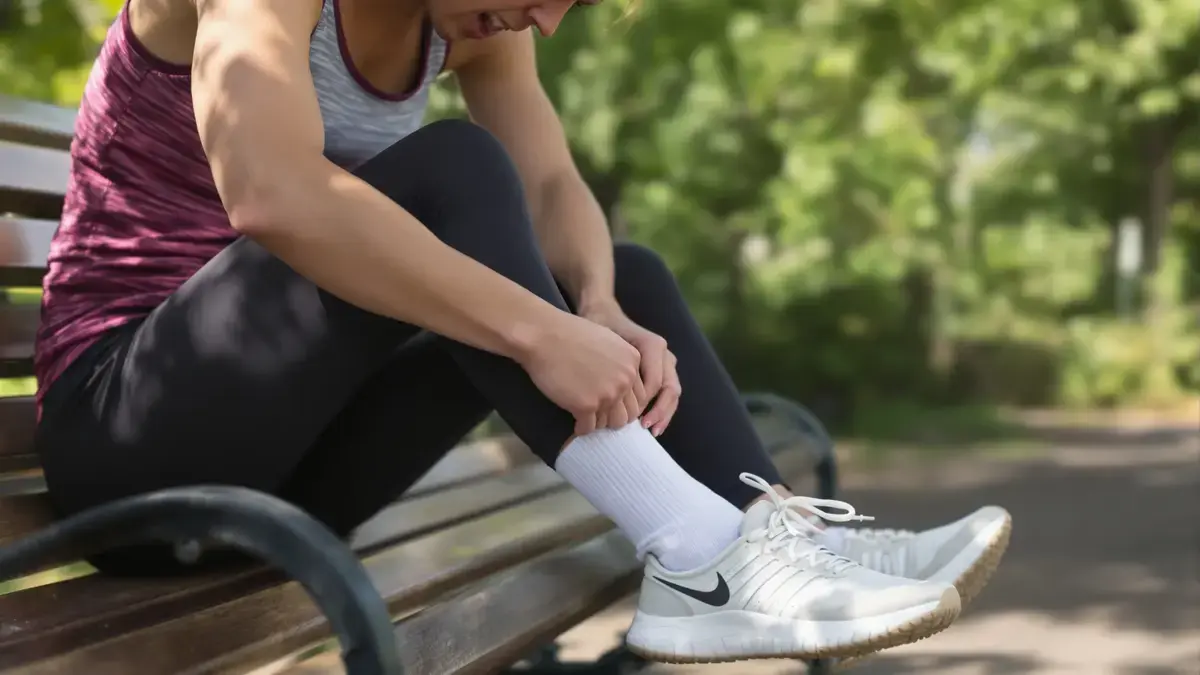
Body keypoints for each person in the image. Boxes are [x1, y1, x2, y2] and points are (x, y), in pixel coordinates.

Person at [32, 0, 1011, 663]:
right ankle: (696, 547)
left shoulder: (468, 18)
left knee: (624, 273)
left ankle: (764, 539)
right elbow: (273, 194)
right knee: (450, 169)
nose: (543, 18)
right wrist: (539, 333)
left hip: (297, 485)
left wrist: (597, 313)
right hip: (133, 450)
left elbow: (550, 184)